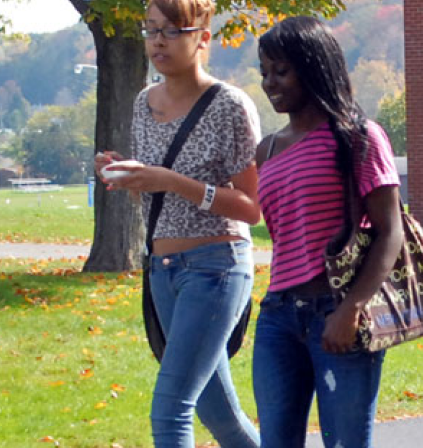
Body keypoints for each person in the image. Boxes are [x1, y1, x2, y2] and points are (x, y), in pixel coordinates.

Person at [94, 0, 262, 446]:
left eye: (171, 31)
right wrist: (126, 174)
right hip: (162, 271)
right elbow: (151, 193)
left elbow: (252, 207)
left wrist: (173, 181)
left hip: (217, 266)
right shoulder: (142, 104)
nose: (157, 41)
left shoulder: (230, 105)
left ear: (202, 38)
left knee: (170, 409)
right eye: (150, 30)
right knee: (220, 415)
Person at [250, 16, 404, 448]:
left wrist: (350, 308)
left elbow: (390, 232)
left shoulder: (358, 138)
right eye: (264, 72)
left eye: (281, 71)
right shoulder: (269, 149)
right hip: (278, 317)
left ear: (314, 66)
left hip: (338, 313)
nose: (269, 83)